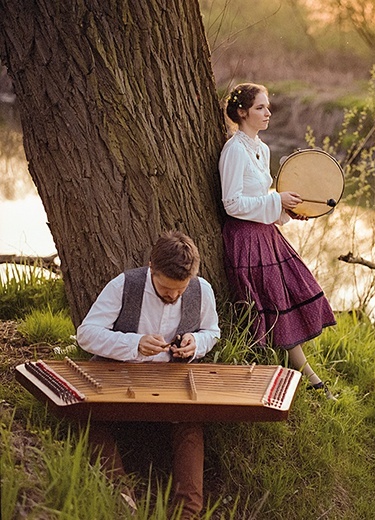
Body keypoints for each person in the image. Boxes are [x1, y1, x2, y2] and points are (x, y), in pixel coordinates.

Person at [76, 230, 221, 519]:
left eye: (180, 289)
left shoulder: (201, 289)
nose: (174, 296)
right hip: (119, 376)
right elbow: (86, 334)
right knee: (90, 419)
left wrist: (196, 344)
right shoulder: (125, 285)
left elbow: (211, 332)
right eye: (167, 289)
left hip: (171, 380)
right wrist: (134, 344)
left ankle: (186, 513)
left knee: (191, 423)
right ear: (151, 268)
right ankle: (121, 503)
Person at [218, 82, 337, 399]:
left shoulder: (262, 148)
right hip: (244, 239)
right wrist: (275, 201)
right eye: (260, 107)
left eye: (267, 106)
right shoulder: (233, 151)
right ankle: (305, 379)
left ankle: (304, 377)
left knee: (289, 295)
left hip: (266, 235)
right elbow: (232, 203)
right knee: (269, 305)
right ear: (242, 112)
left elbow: (261, 198)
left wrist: (284, 208)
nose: (268, 112)